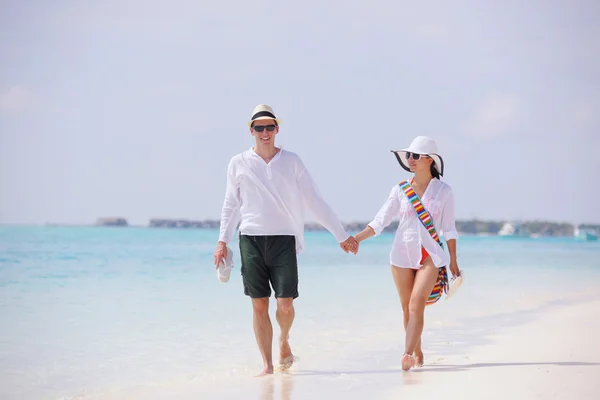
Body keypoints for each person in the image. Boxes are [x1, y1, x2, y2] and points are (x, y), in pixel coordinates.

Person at [214, 104, 358, 376]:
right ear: (251, 130)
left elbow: (314, 200)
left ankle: (284, 340)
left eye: (270, 127)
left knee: (285, 304)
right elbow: (230, 204)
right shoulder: (238, 162)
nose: (265, 132)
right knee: (259, 304)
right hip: (251, 239)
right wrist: (222, 241)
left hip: (284, 240)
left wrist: (341, 234)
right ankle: (267, 366)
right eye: (259, 127)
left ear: (277, 129)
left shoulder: (292, 161)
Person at [354, 136, 460, 371]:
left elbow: (449, 229)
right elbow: (380, 221)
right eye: (408, 156)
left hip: (430, 256)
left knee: (416, 304)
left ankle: (406, 354)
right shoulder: (400, 189)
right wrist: (356, 239)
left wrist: (453, 259)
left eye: (414, 156)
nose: (409, 160)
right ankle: (418, 352)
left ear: (429, 160)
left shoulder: (444, 192)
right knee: (406, 308)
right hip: (401, 255)